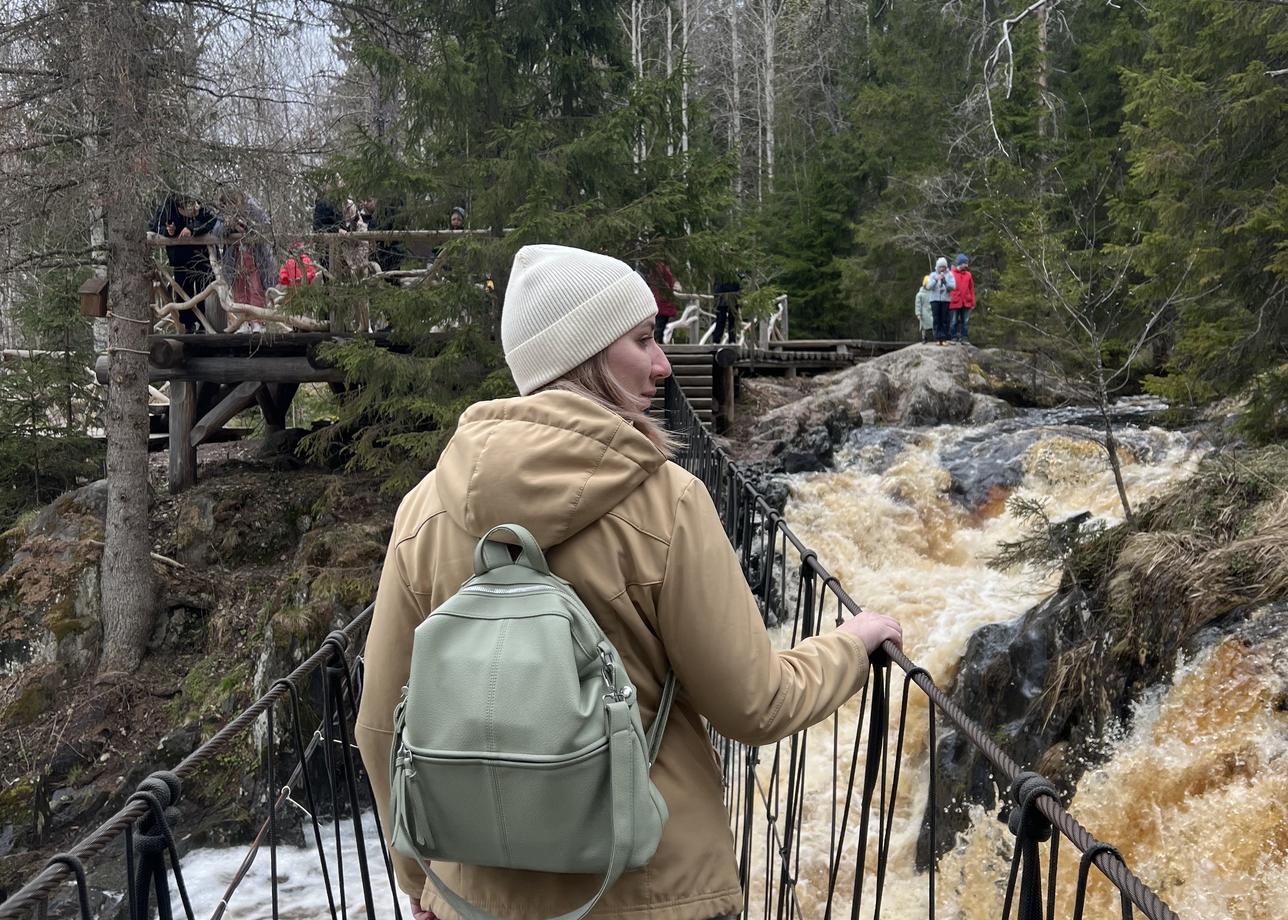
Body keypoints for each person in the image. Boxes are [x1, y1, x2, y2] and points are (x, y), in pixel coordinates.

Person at [355, 243, 903, 920]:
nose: (664, 364)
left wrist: (423, 879)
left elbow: (380, 724)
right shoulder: (666, 501)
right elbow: (754, 705)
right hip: (654, 889)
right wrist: (851, 644)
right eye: (643, 340)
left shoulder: (423, 509)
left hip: (476, 898)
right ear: (582, 355)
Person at [149, 194, 217, 333]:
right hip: (179, 256)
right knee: (183, 290)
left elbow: (211, 221)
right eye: (186, 210)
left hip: (200, 256)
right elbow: (154, 226)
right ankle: (188, 325)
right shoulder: (166, 209)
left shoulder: (201, 206)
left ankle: (203, 324)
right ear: (179, 208)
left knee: (203, 290)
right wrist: (168, 232)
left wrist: (192, 228)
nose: (190, 212)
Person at [214, 188, 277, 332]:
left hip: (255, 255)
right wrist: (229, 226)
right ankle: (243, 322)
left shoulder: (251, 207)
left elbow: (265, 224)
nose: (231, 207)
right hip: (234, 258)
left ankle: (257, 321)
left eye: (233, 203)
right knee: (239, 290)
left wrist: (247, 225)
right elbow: (217, 231)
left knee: (256, 288)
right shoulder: (223, 213)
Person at [647, 259, 680, 343]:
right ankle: (658, 342)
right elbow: (667, 282)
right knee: (660, 324)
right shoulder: (661, 268)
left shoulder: (658, 268)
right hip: (662, 301)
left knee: (661, 324)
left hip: (661, 301)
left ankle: (658, 341)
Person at [926, 256, 955, 345]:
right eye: (940, 267)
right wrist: (936, 279)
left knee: (944, 319)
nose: (942, 268)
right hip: (934, 300)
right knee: (936, 318)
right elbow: (928, 287)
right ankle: (937, 338)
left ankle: (944, 338)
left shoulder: (949, 274)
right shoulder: (932, 275)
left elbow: (953, 287)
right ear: (937, 267)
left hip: (945, 299)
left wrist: (945, 281)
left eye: (944, 267)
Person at [949, 253, 976, 343]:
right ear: (960, 263)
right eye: (965, 263)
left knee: (965, 322)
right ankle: (954, 337)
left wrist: (973, 302)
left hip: (966, 302)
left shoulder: (968, 275)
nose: (967, 265)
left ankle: (964, 338)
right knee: (954, 321)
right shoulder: (951, 273)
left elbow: (971, 289)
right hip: (954, 301)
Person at [712, 273, 741, 344]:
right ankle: (716, 340)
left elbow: (742, 280)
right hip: (721, 296)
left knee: (733, 318)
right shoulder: (720, 267)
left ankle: (732, 340)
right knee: (720, 318)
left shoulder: (738, 268)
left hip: (734, 295)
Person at [915, 273, 934, 344]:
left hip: (931, 311)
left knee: (934, 324)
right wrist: (918, 313)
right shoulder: (919, 294)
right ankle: (924, 338)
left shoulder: (932, 293)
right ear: (924, 284)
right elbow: (918, 305)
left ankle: (935, 337)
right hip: (924, 313)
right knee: (923, 327)